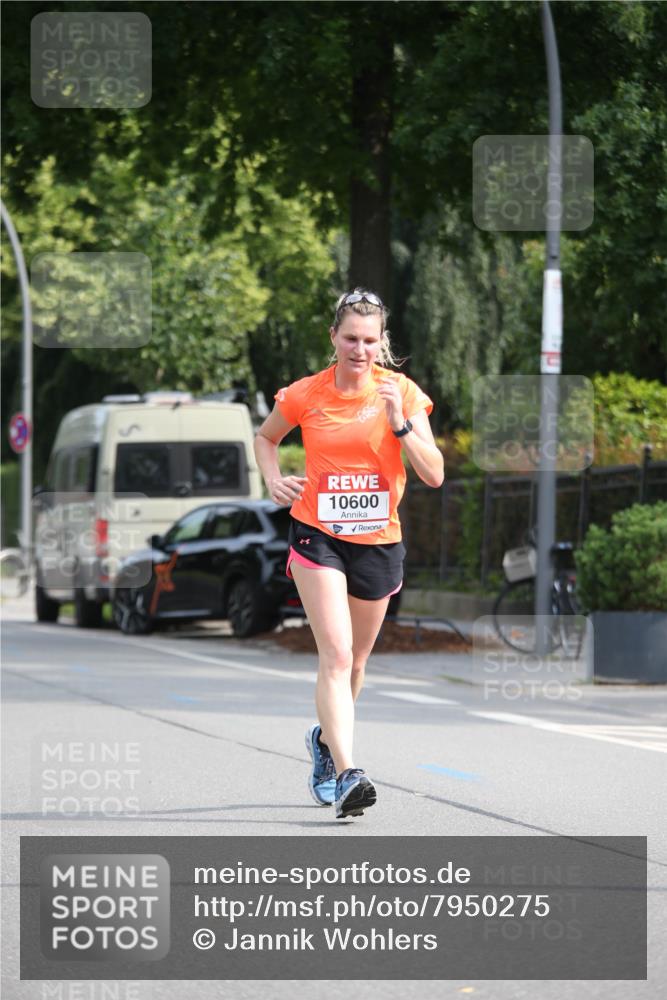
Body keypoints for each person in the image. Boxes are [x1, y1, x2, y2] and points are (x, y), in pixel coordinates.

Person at [254, 289, 444, 818]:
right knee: (335, 656)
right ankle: (347, 772)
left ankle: (324, 741)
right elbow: (265, 439)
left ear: (382, 343)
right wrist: (273, 480)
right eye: (350, 338)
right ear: (334, 339)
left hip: (379, 541)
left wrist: (400, 423)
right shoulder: (305, 394)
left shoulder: (401, 392)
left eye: (370, 340)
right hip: (318, 534)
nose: (360, 349)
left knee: (357, 662)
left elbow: (434, 473)